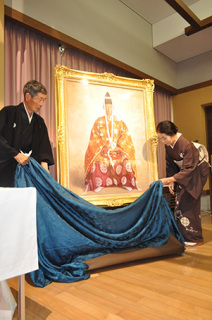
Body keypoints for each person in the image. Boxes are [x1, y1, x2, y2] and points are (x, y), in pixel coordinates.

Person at [156, 120, 209, 246]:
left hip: (197, 171)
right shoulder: (168, 146)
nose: (163, 141)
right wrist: (171, 181)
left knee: (189, 200)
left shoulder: (186, 144)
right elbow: (171, 165)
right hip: (185, 173)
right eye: (161, 139)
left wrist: (169, 179)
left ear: (171, 133)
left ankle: (193, 237)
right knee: (179, 200)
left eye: (164, 138)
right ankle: (184, 235)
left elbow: (190, 168)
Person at [0, 80, 54, 187]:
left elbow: (44, 148)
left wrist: (45, 168)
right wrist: (15, 154)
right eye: (39, 99)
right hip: (7, 170)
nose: (42, 104)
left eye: (44, 100)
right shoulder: (8, 113)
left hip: (30, 171)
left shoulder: (39, 122)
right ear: (28, 96)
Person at [84, 92, 138, 192]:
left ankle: (126, 182)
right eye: (106, 107)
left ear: (113, 107)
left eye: (110, 107)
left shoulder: (119, 122)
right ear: (103, 107)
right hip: (103, 151)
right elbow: (94, 138)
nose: (108, 109)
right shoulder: (98, 121)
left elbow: (125, 137)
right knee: (98, 162)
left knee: (125, 161)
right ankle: (100, 184)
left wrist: (118, 147)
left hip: (117, 151)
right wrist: (104, 147)